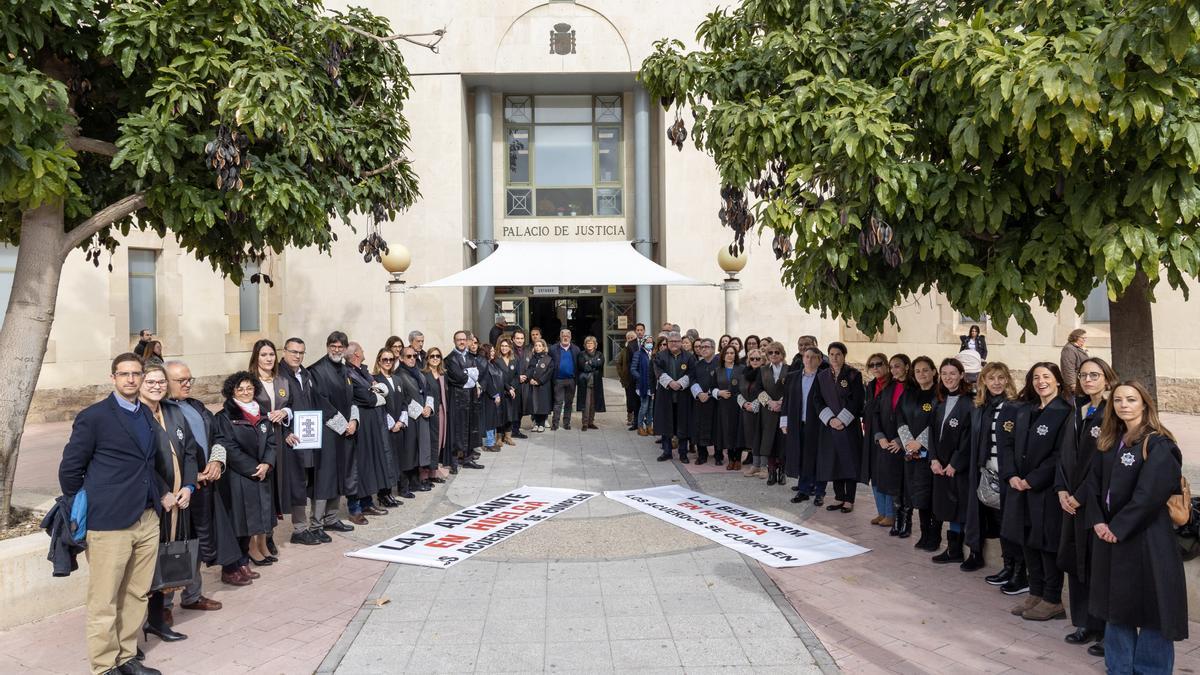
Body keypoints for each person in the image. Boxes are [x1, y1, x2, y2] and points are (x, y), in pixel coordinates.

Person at [58, 353, 164, 675]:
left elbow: (148, 464)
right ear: (113, 377)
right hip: (110, 523)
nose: (131, 380)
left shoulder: (146, 414)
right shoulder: (94, 417)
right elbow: (70, 471)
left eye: (136, 374)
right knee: (104, 599)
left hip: (147, 519)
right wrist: (95, 501)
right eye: (124, 374)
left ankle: (127, 657)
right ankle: (105, 666)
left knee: (136, 593)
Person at [1088, 380, 1188, 673]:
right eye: (1118, 400)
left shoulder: (1159, 444)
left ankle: (1151, 669)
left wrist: (1116, 528)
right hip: (1110, 537)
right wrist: (1097, 520)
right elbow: (1091, 485)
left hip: (1146, 539)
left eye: (1131, 399)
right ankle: (1119, 667)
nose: (1123, 405)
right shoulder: (1109, 441)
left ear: (1144, 403)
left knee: (1154, 609)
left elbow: (1149, 496)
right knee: (1116, 607)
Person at [1057, 357, 1118, 653]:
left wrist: (1080, 494)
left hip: (1094, 501)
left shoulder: (1112, 413)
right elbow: (1064, 454)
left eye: (1095, 375)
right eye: (1083, 375)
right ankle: (1086, 623)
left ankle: (1107, 629)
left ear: (1107, 378)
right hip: (1070, 500)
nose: (1088, 380)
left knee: (1098, 566)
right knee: (1076, 563)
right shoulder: (1078, 409)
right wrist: (1061, 490)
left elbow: (1102, 463)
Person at [164, 361, 241, 592]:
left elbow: (217, 435)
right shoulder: (161, 411)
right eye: (181, 381)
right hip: (179, 488)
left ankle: (193, 596)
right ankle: (165, 604)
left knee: (198, 542)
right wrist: (190, 475)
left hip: (206, 484)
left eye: (190, 379)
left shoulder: (195, 406)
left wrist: (217, 460)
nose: (187, 384)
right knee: (177, 544)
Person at [1003, 362, 1071, 622]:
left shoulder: (1065, 413)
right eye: (1036, 377)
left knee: (1046, 544)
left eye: (1047, 377)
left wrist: (1032, 479)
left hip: (1044, 490)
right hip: (1020, 488)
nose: (1041, 381)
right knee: (1027, 540)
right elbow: (1007, 444)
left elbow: (1060, 455)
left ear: (1058, 381)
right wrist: (1011, 475)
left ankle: (1053, 599)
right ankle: (1036, 592)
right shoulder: (1026, 410)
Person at [138, 364, 198, 644]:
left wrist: (188, 486)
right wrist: (163, 491)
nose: (156, 386)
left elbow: (189, 452)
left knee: (167, 560)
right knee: (146, 566)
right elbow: (141, 463)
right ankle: (135, 628)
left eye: (160, 381)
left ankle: (158, 621)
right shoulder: (135, 414)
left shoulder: (173, 411)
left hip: (178, 501)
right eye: (150, 381)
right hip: (152, 501)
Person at [963, 362, 1026, 592]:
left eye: (1001, 378)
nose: (996, 383)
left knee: (1012, 526)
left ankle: (1021, 573)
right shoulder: (981, 406)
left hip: (1008, 475)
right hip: (988, 475)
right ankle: (1008, 566)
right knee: (1001, 526)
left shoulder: (1016, 407)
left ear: (1008, 379)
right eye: (991, 378)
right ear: (984, 382)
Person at [212, 372, 277, 570]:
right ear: (232, 391)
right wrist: (252, 468)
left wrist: (267, 463)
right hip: (240, 474)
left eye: (249, 388)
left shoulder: (262, 411)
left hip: (262, 470)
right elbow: (227, 446)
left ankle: (261, 545)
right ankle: (248, 550)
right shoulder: (225, 416)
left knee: (263, 512)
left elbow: (272, 442)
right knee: (246, 516)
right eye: (240, 389)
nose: (245, 392)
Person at [276, 338, 330, 546]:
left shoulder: (305, 374)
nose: (297, 356)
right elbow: (277, 407)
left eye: (301, 352)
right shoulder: (278, 376)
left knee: (309, 479)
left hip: (309, 435)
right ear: (284, 351)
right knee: (296, 483)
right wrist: (286, 431)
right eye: (293, 351)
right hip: (290, 438)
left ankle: (312, 526)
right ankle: (299, 529)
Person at [306, 331, 358, 532]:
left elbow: (352, 397)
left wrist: (353, 420)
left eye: (340, 347)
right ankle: (316, 523)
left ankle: (331, 518)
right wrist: (341, 424)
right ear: (327, 346)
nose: (336, 350)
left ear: (345, 349)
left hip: (344, 431)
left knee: (339, 474)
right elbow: (319, 400)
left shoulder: (345, 370)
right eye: (333, 346)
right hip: (327, 431)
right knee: (324, 476)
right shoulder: (317, 370)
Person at [929, 358, 976, 565]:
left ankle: (963, 550)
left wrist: (955, 463)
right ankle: (953, 549)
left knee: (960, 508)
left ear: (961, 375)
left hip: (958, 467)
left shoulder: (970, 402)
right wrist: (933, 459)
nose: (948, 377)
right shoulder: (938, 400)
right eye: (944, 373)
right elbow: (931, 432)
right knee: (947, 507)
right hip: (940, 465)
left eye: (953, 373)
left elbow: (968, 436)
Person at [346, 341, 395, 523]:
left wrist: (375, 391)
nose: (365, 352)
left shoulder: (363, 371)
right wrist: (375, 393)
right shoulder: (349, 372)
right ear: (356, 354)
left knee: (369, 464)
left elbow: (379, 389)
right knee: (359, 466)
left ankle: (367, 502)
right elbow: (366, 397)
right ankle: (355, 508)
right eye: (363, 349)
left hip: (372, 424)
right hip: (361, 424)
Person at [249, 339, 290, 557]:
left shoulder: (281, 380)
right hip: (257, 441)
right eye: (264, 355)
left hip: (279, 438)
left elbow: (290, 405)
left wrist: (285, 413)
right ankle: (256, 538)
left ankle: (269, 534)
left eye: (271, 355)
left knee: (275, 487)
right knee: (261, 488)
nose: (268, 359)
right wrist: (266, 416)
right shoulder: (249, 382)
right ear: (256, 357)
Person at [812, 342, 864, 512]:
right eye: (832, 354)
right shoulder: (822, 376)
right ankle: (839, 497)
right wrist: (830, 419)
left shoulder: (853, 375)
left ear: (844, 356)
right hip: (830, 426)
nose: (835, 357)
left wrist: (842, 420)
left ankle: (849, 499)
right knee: (833, 462)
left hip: (848, 426)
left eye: (838, 354)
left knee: (849, 462)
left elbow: (857, 400)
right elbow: (817, 399)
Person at [898, 356, 938, 548]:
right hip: (911, 454)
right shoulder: (908, 394)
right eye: (917, 371)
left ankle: (935, 537)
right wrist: (908, 442)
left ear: (933, 371)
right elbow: (899, 417)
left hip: (930, 454)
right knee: (918, 495)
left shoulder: (939, 395)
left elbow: (937, 423)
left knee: (931, 495)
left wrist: (921, 442)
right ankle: (924, 534)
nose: (921, 374)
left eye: (925, 370)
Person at [870, 354, 909, 534]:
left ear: (906, 367)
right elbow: (876, 413)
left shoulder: (912, 389)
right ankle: (883, 513)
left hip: (900, 442)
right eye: (892, 367)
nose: (894, 370)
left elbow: (914, 419)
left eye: (897, 366)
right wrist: (880, 436)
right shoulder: (888, 387)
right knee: (879, 476)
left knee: (892, 479)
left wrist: (901, 440)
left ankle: (892, 515)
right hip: (884, 439)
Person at [782, 347, 824, 503]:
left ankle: (819, 492)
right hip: (797, 423)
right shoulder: (792, 377)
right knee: (801, 457)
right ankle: (803, 490)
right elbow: (786, 401)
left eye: (813, 357)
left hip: (818, 424)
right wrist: (784, 422)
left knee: (818, 458)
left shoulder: (824, 377)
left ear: (820, 360)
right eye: (807, 356)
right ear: (802, 358)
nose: (809, 360)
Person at [373, 348, 414, 502]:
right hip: (386, 427)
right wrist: (391, 423)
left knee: (400, 458)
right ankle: (384, 494)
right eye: (385, 359)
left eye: (391, 359)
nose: (388, 362)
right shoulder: (375, 380)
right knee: (387, 460)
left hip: (399, 426)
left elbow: (404, 401)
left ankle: (400, 489)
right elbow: (379, 406)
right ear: (379, 361)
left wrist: (401, 421)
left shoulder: (398, 379)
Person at [393, 346, 435, 494]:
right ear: (401, 358)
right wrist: (419, 410)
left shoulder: (419, 372)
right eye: (408, 356)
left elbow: (428, 390)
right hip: (409, 418)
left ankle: (415, 482)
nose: (412, 359)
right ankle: (404, 487)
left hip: (422, 417)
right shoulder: (398, 374)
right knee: (408, 452)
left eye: (414, 356)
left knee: (418, 451)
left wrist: (429, 407)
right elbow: (403, 397)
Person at [861, 353, 895, 526]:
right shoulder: (871, 385)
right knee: (874, 474)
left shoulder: (893, 385)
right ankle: (881, 512)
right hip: (871, 436)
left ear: (886, 365)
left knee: (887, 475)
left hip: (887, 436)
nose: (875, 368)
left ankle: (890, 514)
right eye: (871, 365)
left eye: (878, 364)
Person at [445, 331, 485, 471]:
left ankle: (467, 458)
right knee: (457, 429)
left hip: (471, 398)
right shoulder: (450, 359)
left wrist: (470, 376)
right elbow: (459, 378)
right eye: (458, 339)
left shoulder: (470, 356)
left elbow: (476, 373)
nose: (462, 342)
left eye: (463, 339)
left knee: (470, 427)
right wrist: (469, 376)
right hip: (457, 399)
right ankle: (454, 462)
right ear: (454, 341)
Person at [654, 332, 695, 462]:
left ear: (681, 342)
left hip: (683, 396)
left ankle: (683, 454)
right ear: (668, 342)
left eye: (677, 341)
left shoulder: (689, 357)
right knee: (666, 425)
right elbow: (658, 371)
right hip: (666, 396)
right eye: (671, 341)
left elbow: (692, 372)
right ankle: (667, 452)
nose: (674, 344)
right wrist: (671, 383)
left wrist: (681, 383)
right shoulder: (660, 356)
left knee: (683, 426)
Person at [752, 342, 788, 483]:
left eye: (777, 352)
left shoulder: (789, 369)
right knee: (769, 443)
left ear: (782, 354)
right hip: (767, 411)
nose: (774, 355)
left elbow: (792, 389)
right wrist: (769, 402)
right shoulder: (762, 370)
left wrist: (781, 402)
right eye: (771, 352)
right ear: (767, 355)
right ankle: (771, 472)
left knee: (782, 442)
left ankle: (782, 473)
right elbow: (758, 389)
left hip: (784, 411)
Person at [690, 339, 719, 464]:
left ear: (713, 348)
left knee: (717, 427)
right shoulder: (697, 365)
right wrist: (699, 393)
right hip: (700, 402)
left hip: (715, 402)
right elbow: (692, 379)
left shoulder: (719, 364)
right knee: (699, 427)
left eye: (707, 346)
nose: (703, 349)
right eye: (701, 347)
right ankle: (702, 454)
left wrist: (709, 393)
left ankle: (719, 455)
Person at [423, 348, 450, 482]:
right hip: (429, 413)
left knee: (439, 442)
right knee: (429, 442)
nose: (435, 358)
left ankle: (433, 471)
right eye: (432, 356)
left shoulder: (442, 374)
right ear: (427, 358)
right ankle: (425, 473)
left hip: (441, 411)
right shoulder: (423, 375)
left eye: (438, 356)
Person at [713, 344, 742, 468]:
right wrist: (719, 393)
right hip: (724, 405)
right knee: (728, 431)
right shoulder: (717, 370)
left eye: (732, 353)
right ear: (723, 355)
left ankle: (738, 459)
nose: (730, 355)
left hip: (739, 404)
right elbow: (712, 387)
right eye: (727, 353)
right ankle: (731, 459)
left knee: (738, 431)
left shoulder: (742, 368)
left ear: (735, 355)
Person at [737, 348, 764, 475]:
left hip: (762, 411)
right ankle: (755, 465)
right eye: (752, 358)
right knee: (752, 439)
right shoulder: (744, 373)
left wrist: (754, 405)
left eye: (757, 359)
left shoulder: (765, 373)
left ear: (762, 360)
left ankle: (764, 467)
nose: (755, 361)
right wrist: (743, 403)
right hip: (747, 411)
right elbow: (738, 391)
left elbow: (767, 391)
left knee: (763, 438)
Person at [548, 329, 581, 431]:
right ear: (560, 337)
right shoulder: (553, 349)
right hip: (558, 380)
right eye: (563, 336)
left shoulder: (576, 349)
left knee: (569, 403)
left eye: (567, 336)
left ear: (570, 337)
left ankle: (567, 423)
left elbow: (579, 365)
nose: (565, 337)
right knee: (558, 402)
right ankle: (555, 423)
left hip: (571, 380)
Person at [478, 343, 505, 452]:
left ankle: (491, 442)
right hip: (488, 397)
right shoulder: (484, 364)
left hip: (494, 397)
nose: (493, 353)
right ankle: (489, 443)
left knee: (493, 419)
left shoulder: (492, 363)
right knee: (489, 420)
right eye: (492, 351)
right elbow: (487, 382)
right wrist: (495, 394)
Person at [523, 339, 554, 432]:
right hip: (533, 385)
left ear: (544, 347)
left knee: (543, 405)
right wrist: (530, 379)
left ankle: (542, 424)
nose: (537, 347)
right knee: (534, 404)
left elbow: (549, 373)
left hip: (543, 385)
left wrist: (539, 381)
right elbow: (529, 370)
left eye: (540, 346)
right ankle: (536, 423)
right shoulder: (532, 358)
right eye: (536, 346)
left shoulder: (548, 359)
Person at [576, 336, 605, 430]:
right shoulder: (581, 354)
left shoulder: (600, 354)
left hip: (596, 382)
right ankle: (585, 423)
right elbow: (582, 367)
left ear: (595, 345)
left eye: (591, 343)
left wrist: (589, 362)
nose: (589, 345)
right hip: (585, 383)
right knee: (586, 403)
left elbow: (600, 364)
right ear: (585, 345)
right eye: (588, 343)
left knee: (593, 404)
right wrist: (593, 364)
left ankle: (591, 422)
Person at [496, 338, 521, 445]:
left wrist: (513, 387)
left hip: (512, 392)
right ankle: (499, 437)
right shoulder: (496, 360)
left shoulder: (514, 360)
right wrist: (508, 388)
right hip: (501, 391)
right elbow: (498, 377)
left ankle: (508, 436)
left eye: (506, 346)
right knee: (500, 415)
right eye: (502, 346)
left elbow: (517, 375)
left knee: (510, 414)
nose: (504, 348)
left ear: (510, 347)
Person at [631, 336, 655, 436]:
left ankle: (649, 426)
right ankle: (640, 427)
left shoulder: (654, 354)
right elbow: (633, 369)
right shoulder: (638, 354)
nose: (650, 344)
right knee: (644, 406)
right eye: (648, 342)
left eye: (651, 342)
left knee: (650, 407)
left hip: (652, 385)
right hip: (642, 385)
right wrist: (641, 378)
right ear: (643, 343)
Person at [509, 330, 530, 438]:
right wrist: (518, 377)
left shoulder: (528, 350)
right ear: (513, 339)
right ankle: (509, 431)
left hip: (524, 384)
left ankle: (516, 430)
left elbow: (531, 366)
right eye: (517, 338)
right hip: (513, 383)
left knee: (521, 408)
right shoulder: (509, 350)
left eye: (522, 338)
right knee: (513, 408)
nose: (520, 340)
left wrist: (526, 376)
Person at [616, 330, 639, 430]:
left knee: (637, 399)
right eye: (628, 338)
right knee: (630, 398)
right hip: (628, 379)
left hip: (637, 379)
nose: (630, 340)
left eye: (632, 338)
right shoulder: (624, 350)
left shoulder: (639, 348)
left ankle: (637, 418)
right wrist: (622, 375)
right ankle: (630, 416)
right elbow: (618, 363)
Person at [1060, 329, 1088, 396]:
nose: (1084, 340)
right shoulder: (1069, 349)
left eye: (1085, 338)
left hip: (1080, 382)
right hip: (1075, 384)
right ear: (1075, 337)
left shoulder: (1076, 347)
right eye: (1083, 338)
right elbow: (1068, 368)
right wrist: (1073, 385)